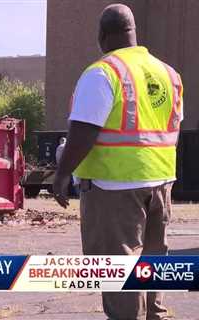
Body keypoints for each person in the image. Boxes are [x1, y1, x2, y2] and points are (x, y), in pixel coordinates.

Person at [52, 4, 183, 320]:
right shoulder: (168, 74)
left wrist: (61, 174)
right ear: (133, 33)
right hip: (161, 182)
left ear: (102, 35)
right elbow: (173, 124)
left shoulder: (103, 72)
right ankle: (155, 314)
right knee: (153, 260)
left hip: (114, 186)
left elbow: (84, 130)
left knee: (117, 266)